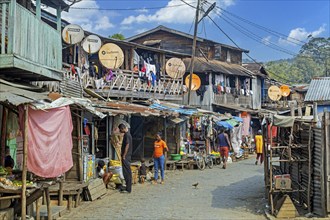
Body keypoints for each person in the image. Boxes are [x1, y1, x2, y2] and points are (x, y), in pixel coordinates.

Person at [119, 123, 133, 193]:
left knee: (127, 173)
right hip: (128, 156)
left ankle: (128, 189)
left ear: (122, 128)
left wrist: (124, 155)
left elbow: (127, 145)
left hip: (126, 157)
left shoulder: (127, 135)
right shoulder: (128, 134)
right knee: (128, 172)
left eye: (120, 130)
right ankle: (128, 187)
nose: (120, 131)